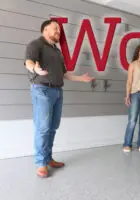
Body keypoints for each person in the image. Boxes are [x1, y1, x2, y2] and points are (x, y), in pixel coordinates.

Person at [24, 19, 94, 178]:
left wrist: (81, 79)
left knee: (53, 126)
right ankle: (41, 163)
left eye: (59, 29)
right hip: (41, 89)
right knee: (43, 127)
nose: (58, 31)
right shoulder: (36, 44)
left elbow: (64, 74)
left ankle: (48, 158)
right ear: (45, 30)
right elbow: (28, 62)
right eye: (55, 28)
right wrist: (35, 68)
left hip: (57, 91)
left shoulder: (57, 51)